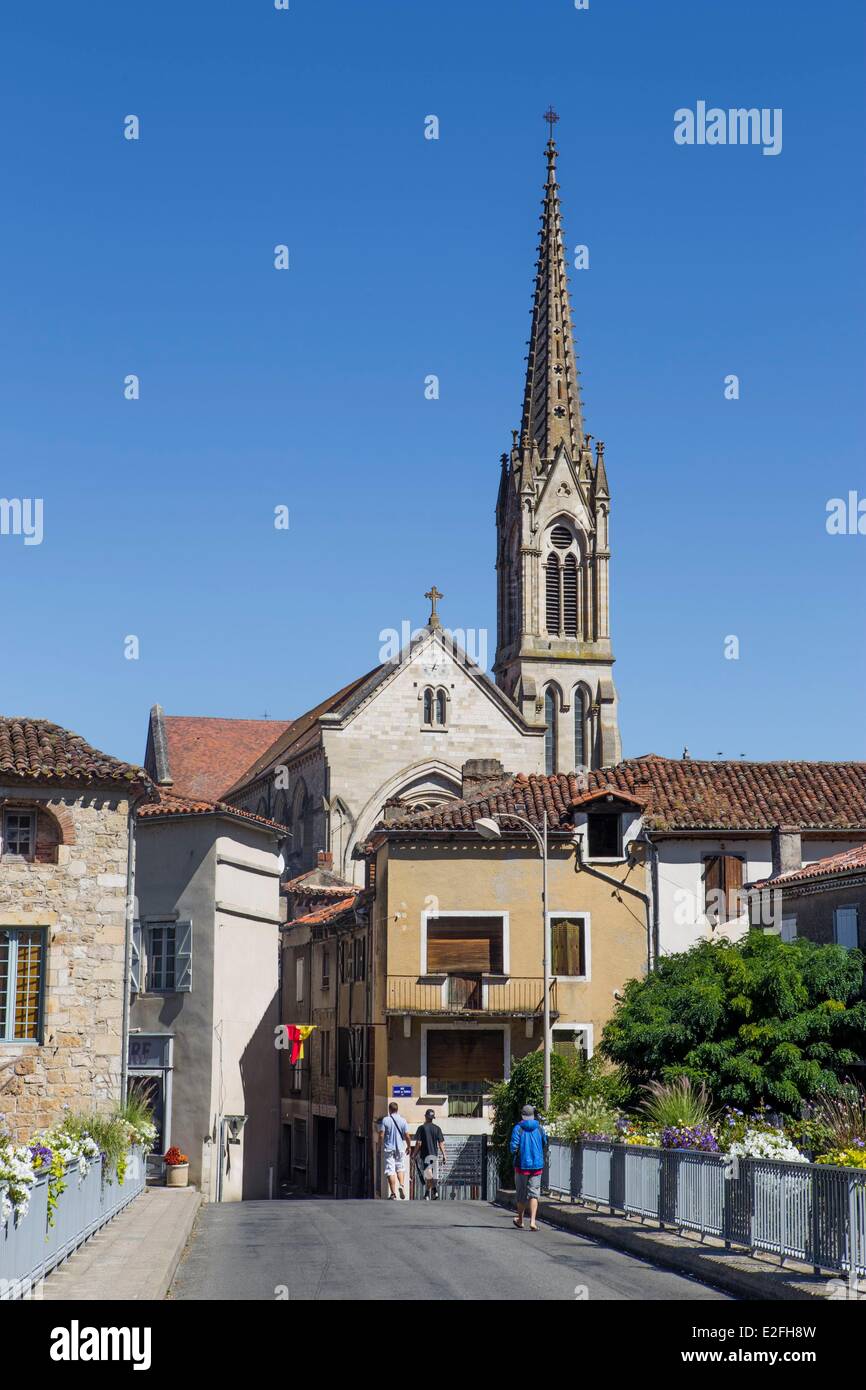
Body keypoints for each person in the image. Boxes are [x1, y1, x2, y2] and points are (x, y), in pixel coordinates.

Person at [510, 1104, 548, 1231]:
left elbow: (513, 1147)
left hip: (521, 1165)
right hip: (537, 1165)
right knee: (534, 1193)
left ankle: (520, 1220)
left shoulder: (518, 1128)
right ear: (533, 1115)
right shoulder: (540, 1128)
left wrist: (516, 1153)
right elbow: (545, 1142)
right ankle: (532, 1221)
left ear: (522, 1115)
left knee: (521, 1194)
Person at [378, 1101, 409, 1200]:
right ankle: (402, 1185)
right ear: (397, 1109)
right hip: (400, 1148)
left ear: (389, 1109)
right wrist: (408, 1146)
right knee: (400, 1167)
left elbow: (381, 1134)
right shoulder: (403, 1120)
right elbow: (407, 1136)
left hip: (389, 1148)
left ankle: (393, 1194)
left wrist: (379, 1146)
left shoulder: (385, 1120)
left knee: (390, 1170)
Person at [413, 1108, 447, 1200]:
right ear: (432, 1118)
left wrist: (414, 1154)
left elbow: (419, 1143)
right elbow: (441, 1143)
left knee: (429, 1175)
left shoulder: (421, 1128)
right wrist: (444, 1155)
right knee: (431, 1175)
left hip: (426, 1154)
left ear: (426, 1117)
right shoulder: (437, 1128)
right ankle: (427, 1194)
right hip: (434, 1155)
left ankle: (434, 1190)